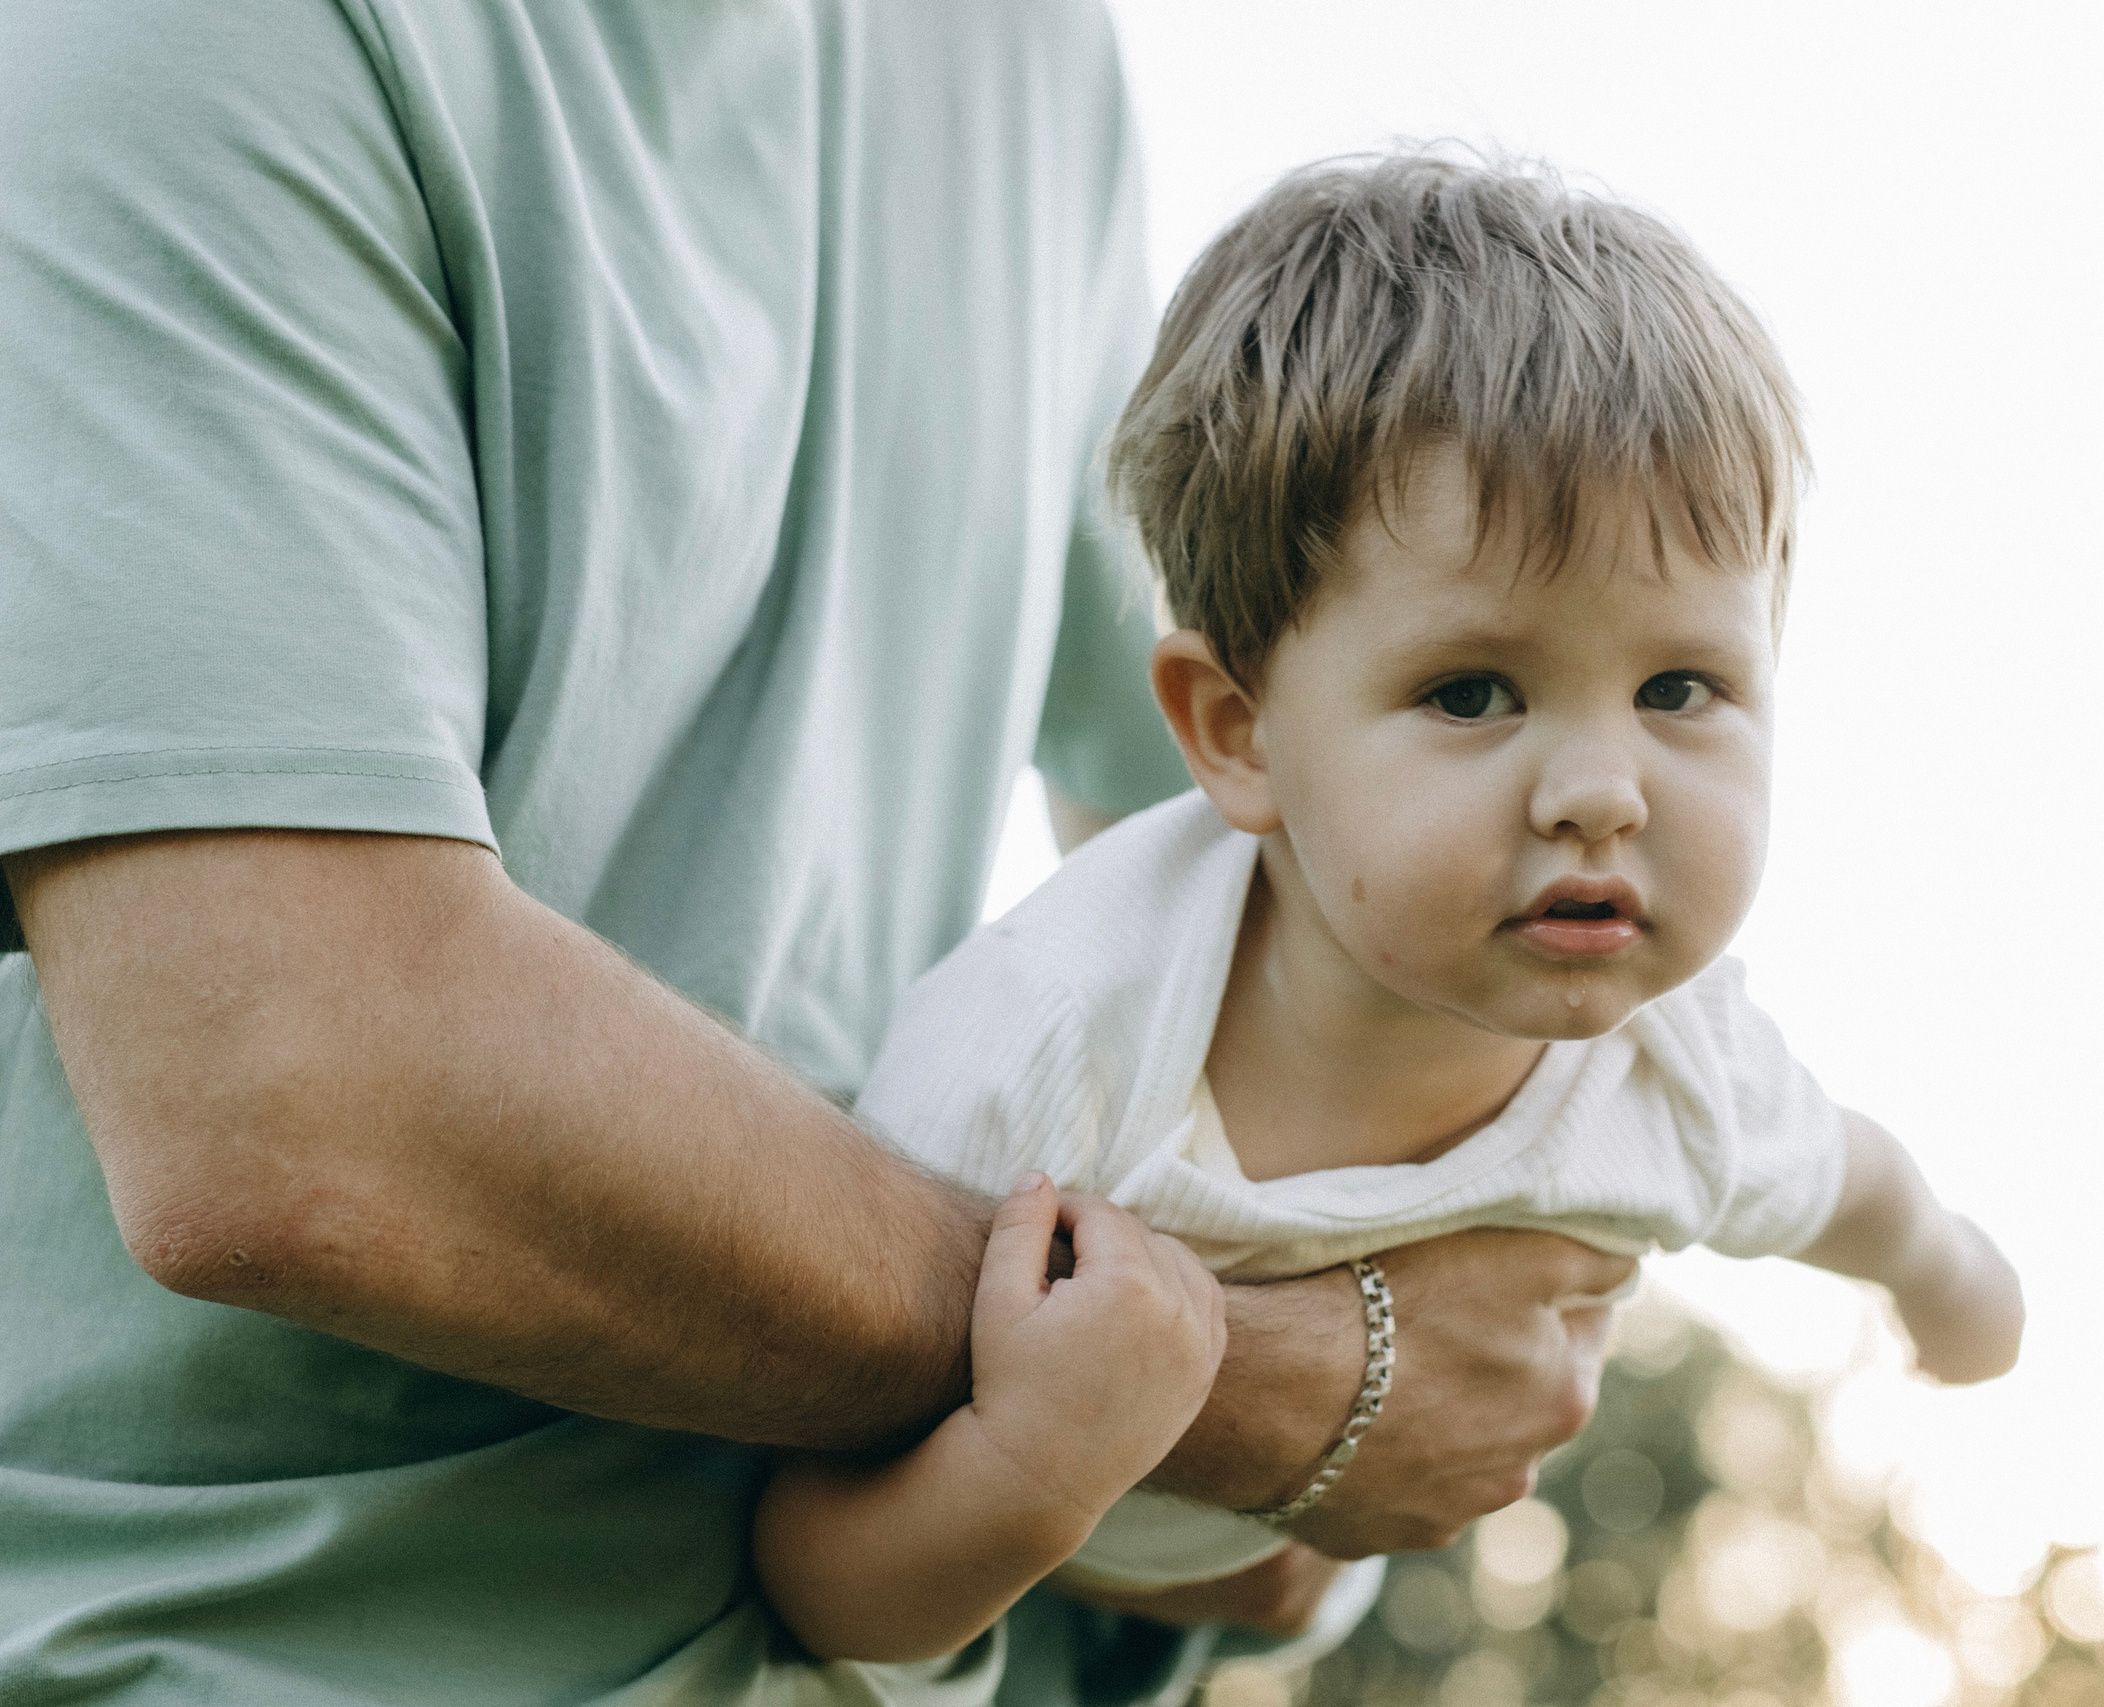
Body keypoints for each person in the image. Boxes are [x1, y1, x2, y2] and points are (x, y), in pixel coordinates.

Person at [0, 8, 1630, 1706]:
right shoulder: (190, 38)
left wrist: (1340, 1402)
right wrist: (1252, 1398)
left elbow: (1283, 844)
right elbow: (293, 1091)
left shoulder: (1022, 60)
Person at [751, 152, 2028, 1657]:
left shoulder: (1681, 1065)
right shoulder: (1044, 1051)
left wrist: (1954, 1291)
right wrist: (1042, 1463)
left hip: (1310, 1597)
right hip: (1001, 1589)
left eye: (1682, 685)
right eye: (1474, 692)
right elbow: (813, 1573)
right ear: (1238, 733)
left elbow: (1857, 1187)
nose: (1601, 790)